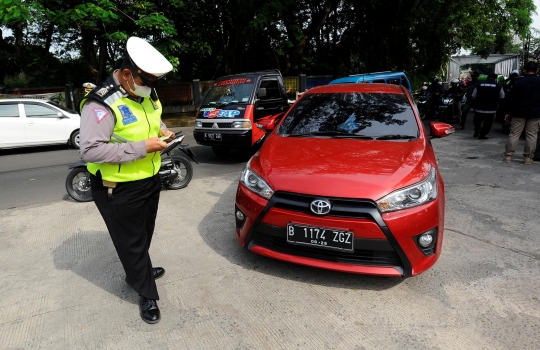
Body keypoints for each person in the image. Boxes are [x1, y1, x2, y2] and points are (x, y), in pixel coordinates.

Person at [79, 36, 174, 324]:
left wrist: (164, 132)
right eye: (148, 79)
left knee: (143, 233)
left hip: (149, 178)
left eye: (156, 81)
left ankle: (139, 269)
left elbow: (153, 121)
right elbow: (90, 149)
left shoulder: (146, 92)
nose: (152, 86)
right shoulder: (101, 103)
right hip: (116, 188)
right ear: (127, 74)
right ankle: (146, 292)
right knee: (131, 241)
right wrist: (144, 147)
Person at [503, 61, 540, 165]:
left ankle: (508, 156)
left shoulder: (518, 82)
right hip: (535, 113)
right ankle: (528, 158)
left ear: (525, 70)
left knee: (514, 134)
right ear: (536, 71)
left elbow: (511, 98)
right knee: (532, 135)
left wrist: (508, 112)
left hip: (518, 112)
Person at [471, 73, 504, 139]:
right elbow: (502, 96)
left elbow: (473, 96)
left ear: (487, 77)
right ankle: (482, 135)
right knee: (488, 123)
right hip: (491, 109)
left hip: (479, 107)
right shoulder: (498, 86)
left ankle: (477, 130)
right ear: (495, 78)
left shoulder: (479, 85)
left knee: (477, 120)